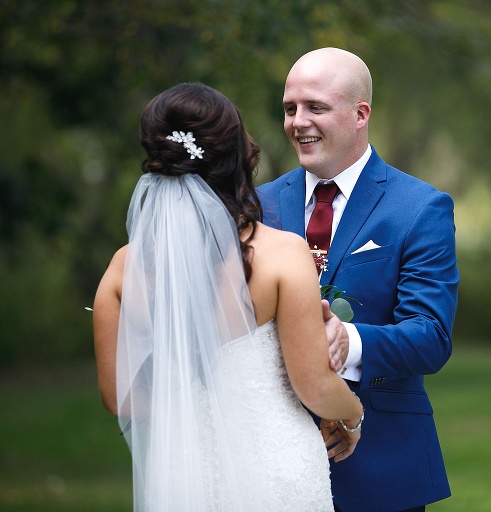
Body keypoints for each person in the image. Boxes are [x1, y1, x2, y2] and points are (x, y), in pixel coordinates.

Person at [93, 82, 364, 512]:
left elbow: (119, 397)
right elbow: (313, 385)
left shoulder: (123, 269)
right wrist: (351, 415)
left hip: (184, 476)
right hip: (276, 472)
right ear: (238, 153)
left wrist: (192, 407)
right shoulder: (281, 254)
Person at [257, 48, 459, 512]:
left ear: (359, 114)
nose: (298, 122)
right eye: (290, 109)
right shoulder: (256, 204)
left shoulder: (419, 208)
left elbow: (431, 335)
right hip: (269, 460)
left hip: (380, 469)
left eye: (316, 107)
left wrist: (348, 341)